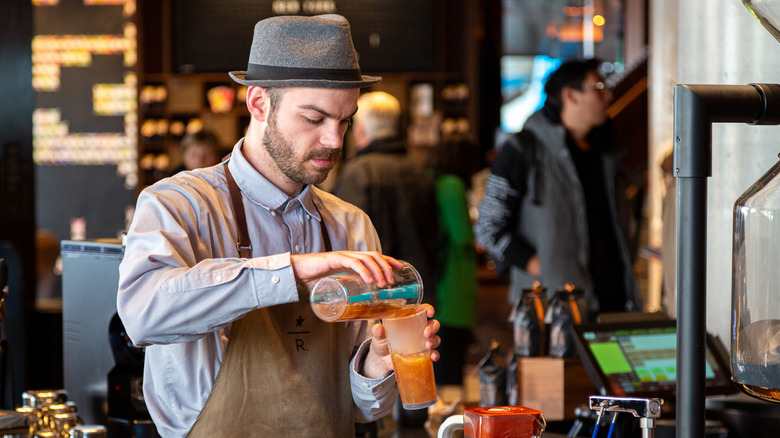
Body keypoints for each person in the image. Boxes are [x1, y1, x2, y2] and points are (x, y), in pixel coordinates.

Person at [117, 15, 441, 437]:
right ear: (258, 103)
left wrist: (376, 364)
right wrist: (291, 272)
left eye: (344, 121)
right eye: (314, 118)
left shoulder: (350, 224)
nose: (335, 141)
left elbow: (363, 408)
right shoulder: (178, 204)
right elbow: (142, 316)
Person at [474, 58, 641, 321]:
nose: (608, 96)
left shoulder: (607, 152)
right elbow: (487, 228)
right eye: (598, 88)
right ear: (570, 95)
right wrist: (544, 268)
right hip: (552, 312)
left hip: (614, 304)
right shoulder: (522, 149)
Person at [332, 91, 439, 307]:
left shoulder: (358, 171)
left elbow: (347, 241)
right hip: (417, 286)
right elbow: (435, 235)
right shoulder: (419, 169)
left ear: (360, 129)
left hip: (374, 294)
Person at [426, 138, 480, 386]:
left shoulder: (434, 180)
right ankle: (449, 422)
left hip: (439, 281)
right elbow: (461, 236)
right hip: (453, 282)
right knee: (450, 367)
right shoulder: (452, 185)